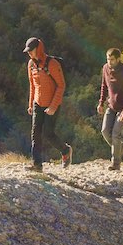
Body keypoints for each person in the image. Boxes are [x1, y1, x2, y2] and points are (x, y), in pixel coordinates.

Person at [24, 37, 71, 171]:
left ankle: (65, 150)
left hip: (52, 103)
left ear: (38, 49)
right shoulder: (31, 65)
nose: (29, 53)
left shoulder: (52, 64)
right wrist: (30, 104)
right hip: (37, 103)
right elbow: (32, 85)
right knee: (35, 134)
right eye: (28, 51)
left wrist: (53, 106)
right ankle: (36, 164)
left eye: (31, 51)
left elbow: (61, 86)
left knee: (48, 134)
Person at [97, 47, 123, 170]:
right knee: (104, 131)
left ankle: (116, 163)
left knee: (115, 134)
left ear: (118, 59)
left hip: (122, 108)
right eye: (108, 59)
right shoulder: (105, 68)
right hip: (111, 106)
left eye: (112, 59)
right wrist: (101, 103)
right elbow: (104, 85)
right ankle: (118, 148)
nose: (109, 62)